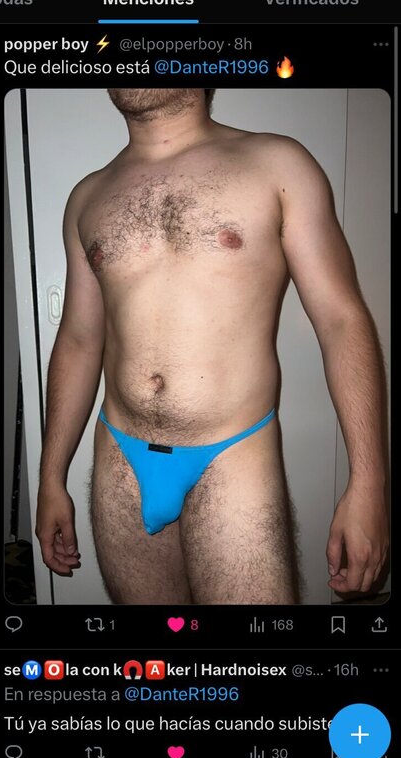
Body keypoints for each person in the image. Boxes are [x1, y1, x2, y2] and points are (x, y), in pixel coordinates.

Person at [35, 88, 389, 605]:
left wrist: (370, 485)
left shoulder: (277, 164)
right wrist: (50, 477)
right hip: (120, 457)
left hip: (232, 455)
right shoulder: (86, 197)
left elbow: (340, 320)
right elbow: (78, 340)